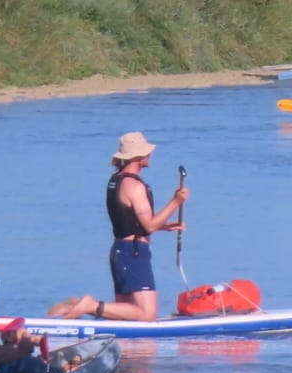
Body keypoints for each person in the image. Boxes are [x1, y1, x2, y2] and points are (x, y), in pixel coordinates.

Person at [43, 131, 187, 322]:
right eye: (146, 152)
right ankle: (90, 306)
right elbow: (149, 225)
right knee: (146, 314)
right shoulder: (134, 186)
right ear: (138, 156)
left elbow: (131, 222)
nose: (150, 155)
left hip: (121, 251)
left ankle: (73, 305)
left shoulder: (116, 180)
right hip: (133, 253)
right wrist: (175, 202)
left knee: (126, 313)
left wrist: (165, 226)